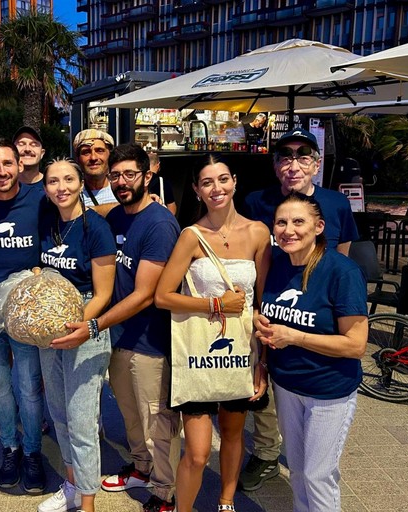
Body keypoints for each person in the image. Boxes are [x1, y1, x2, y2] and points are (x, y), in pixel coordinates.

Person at [56, 143, 181, 512]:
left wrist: (93, 324)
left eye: (130, 174)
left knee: (157, 419)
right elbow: (100, 211)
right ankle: (141, 467)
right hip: (121, 336)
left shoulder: (158, 223)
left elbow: (144, 294)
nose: (122, 182)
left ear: (147, 176)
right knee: (130, 413)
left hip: (149, 340)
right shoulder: (118, 217)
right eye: (116, 175)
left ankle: (164, 491)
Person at [239, 128, 358, 491]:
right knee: (271, 398)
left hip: (316, 318)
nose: (294, 164)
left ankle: (307, 460)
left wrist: (330, 299)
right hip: (272, 309)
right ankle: (266, 453)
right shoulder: (257, 202)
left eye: (303, 155)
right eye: (285, 156)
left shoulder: (336, 203)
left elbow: (342, 256)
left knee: (315, 468)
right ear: (276, 166)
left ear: (316, 163)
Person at [154, 156, 270, 512]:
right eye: (207, 183)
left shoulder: (258, 233)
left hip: (241, 350)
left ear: (234, 181)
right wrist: (216, 305)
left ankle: (225, 501)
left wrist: (262, 363)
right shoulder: (192, 235)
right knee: (198, 452)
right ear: (196, 191)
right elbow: (162, 296)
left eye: (222, 179)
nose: (216, 188)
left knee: (234, 435)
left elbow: (261, 304)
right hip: (200, 353)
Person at [256, 192, 367, 511]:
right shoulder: (276, 264)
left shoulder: (342, 271)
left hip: (328, 391)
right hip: (287, 386)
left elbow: (356, 345)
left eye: (298, 221)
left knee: (319, 475)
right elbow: (265, 311)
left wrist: (294, 336)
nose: (288, 229)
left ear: (319, 227)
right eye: (281, 222)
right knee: (299, 471)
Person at [35, 159, 117, 512]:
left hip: (84, 323)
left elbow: (103, 294)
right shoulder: (48, 219)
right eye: (53, 181)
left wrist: (74, 326)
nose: (61, 187)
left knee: (82, 420)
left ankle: (88, 503)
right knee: (59, 413)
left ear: (81, 184)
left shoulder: (95, 227)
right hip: (52, 325)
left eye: (68, 179)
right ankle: (71, 485)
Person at [0, 137, 48, 494]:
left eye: (7, 164)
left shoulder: (40, 197)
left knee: (29, 386)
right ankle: (10, 449)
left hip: (24, 310)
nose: (1, 171)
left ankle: (32, 451)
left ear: (20, 166)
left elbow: (79, 211)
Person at [74, 129, 119, 217]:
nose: (93, 158)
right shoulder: (72, 194)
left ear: (110, 155)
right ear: (77, 159)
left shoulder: (122, 188)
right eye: (86, 152)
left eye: (99, 151)